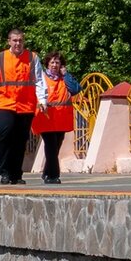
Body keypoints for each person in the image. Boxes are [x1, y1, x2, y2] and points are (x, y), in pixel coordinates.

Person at [0, 28, 48, 185]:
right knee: (5, 132)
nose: (18, 43)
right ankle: (4, 171)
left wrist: (42, 100)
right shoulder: (1, 58)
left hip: (26, 105)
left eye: (20, 40)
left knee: (20, 139)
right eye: (15, 40)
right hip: (4, 102)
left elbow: (39, 80)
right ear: (9, 41)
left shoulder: (32, 57)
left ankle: (16, 173)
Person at [31, 52, 81, 184]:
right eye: (52, 62)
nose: (54, 65)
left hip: (61, 118)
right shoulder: (41, 77)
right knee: (51, 145)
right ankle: (53, 175)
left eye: (57, 62)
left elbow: (76, 89)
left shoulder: (64, 78)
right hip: (46, 117)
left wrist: (65, 75)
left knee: (56, 146)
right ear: (47, 64)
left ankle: (47, 172)